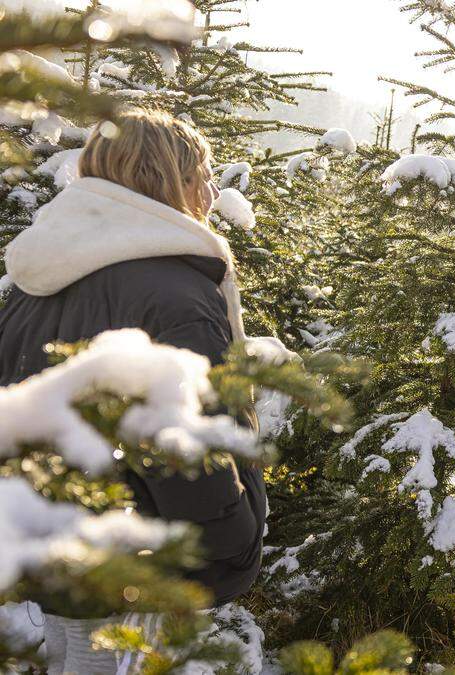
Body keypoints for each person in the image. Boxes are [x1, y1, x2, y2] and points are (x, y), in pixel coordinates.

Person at [0, 109, 265, 674]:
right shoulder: (173, 294)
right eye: (204, 174)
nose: (213, 192)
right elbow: (182, 440)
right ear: (172, 181)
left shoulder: (34, 284)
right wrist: (232, 540)